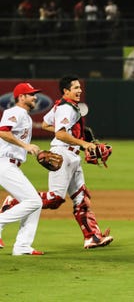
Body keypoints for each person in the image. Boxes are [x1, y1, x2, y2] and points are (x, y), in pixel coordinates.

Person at [41, 75, 114, 249]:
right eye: (75, 88)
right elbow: (60, 134)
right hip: (62, 155)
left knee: (81, 198)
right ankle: (15, 201)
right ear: (66, 91)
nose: (79, 90)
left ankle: (92, 237)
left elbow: (45, 124)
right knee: (54, 199)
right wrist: (84, 143)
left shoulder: (62, 105)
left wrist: (76, 139)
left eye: (80, 87)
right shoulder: (66, 108)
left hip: (71, 155)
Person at [0, 83, 44, 256]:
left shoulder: (24, 115)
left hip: (11, 165)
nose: (35, 97)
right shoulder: (14, 112)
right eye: (31, 94)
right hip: (4, 163)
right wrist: (26, 146)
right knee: (34, 202)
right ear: (21, 97)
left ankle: (22, 246)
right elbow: (3, 132)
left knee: (35, 204)